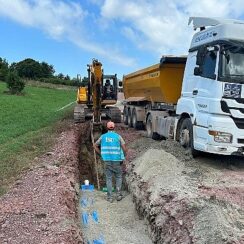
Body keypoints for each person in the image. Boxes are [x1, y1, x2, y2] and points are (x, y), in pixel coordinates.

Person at [93, 121, 127, 203]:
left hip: (107, 161)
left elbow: (94, 145)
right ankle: (118, 195)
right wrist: (123, 156)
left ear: (107, 128)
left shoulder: (103, 137)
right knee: (118, 177)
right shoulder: (118, 137)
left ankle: (110, 197)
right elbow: (124, 148)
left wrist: (101, 153)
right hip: (117, 161)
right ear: (114, 128)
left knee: (108, 178)